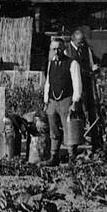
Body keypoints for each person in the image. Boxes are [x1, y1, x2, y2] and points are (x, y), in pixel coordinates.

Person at [42, 35, 82, 164]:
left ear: (63, 48)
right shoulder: (51, 63)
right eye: (53, 49)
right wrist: (46, 100)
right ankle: (54, 157)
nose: (56, 51)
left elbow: (77, 83)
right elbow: (48, 82)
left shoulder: (72, 63)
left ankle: (72, 157)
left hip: (67, 100)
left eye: (58, 49)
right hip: (52, 101)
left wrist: (75, 102)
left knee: (69, 128)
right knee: (53, 129)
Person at [66, 27, 101, 150]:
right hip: (73, 88)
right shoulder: (67, 51)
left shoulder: (86, 50)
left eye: (83, 41)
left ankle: (94, 143)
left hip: (86, 86)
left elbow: (92, 63)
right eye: (80, 42)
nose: (82, 44)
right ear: (73, 40)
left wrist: (93, 69)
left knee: (90, 112)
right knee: (75, 114)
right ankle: (73, 145)